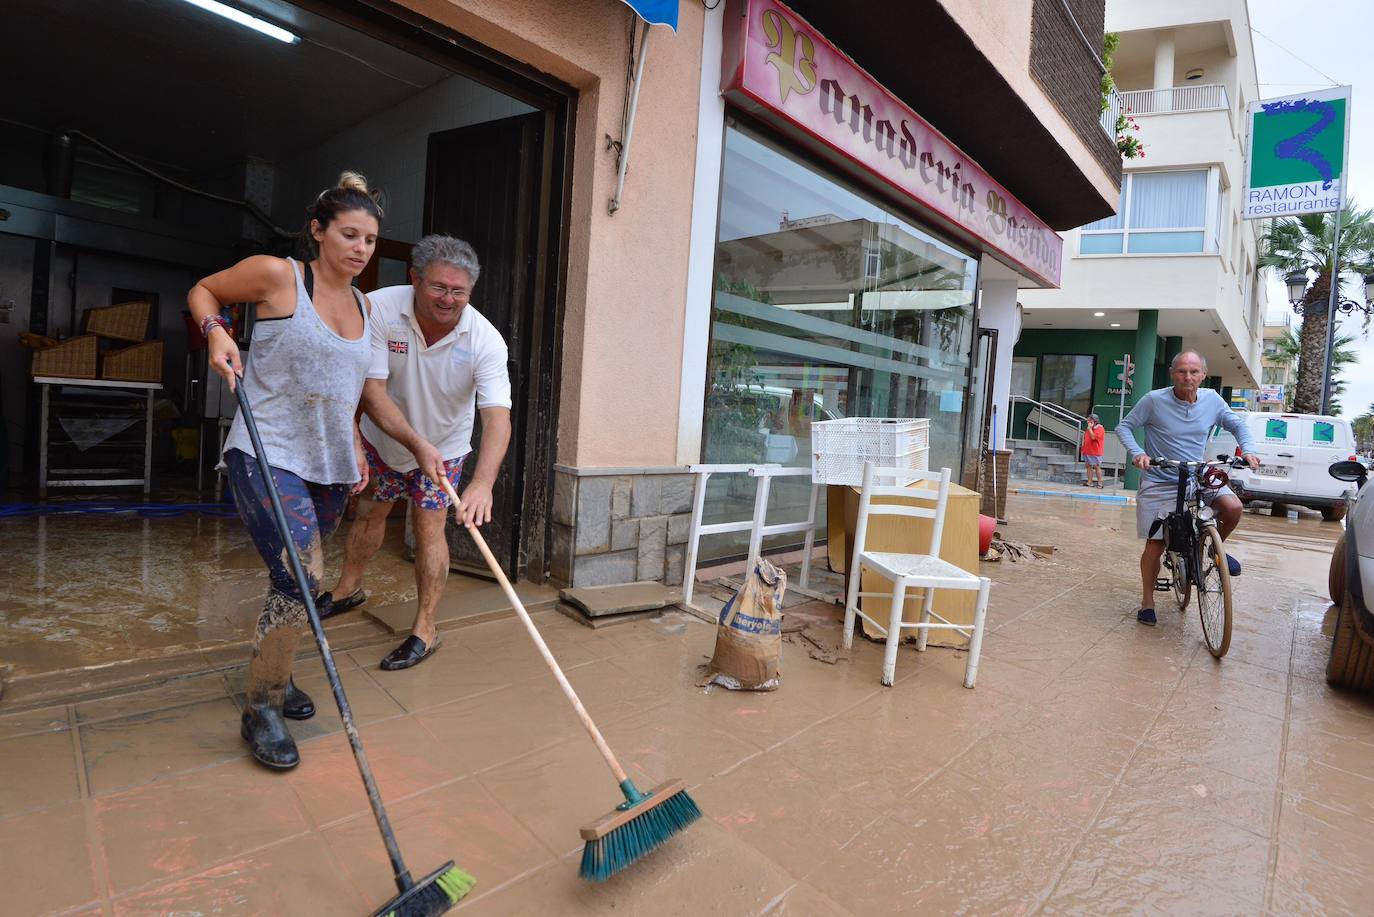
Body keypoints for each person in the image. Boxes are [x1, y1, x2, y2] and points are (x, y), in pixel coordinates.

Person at [189, 172, 442, 770]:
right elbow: (204, 290)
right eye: (349, 234)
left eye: (371, 240)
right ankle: (262, 708)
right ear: (318, 232)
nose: (360, 248)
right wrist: (216, 332)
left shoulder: (366, 310)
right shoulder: (280, 276)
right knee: (302, 576)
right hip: (265, 449)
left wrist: (415, 443)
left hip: (328, 466)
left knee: (297, 585)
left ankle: (276, 672)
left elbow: (369, 393)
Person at [317, 235, 512, 670]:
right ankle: (349, 588)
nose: (448, 299)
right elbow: (371, 390)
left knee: (429, 528)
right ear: (415, 279)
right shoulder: (379, 308)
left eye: (459, 291)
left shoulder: (485, 339)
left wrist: (482, 483)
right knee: (369, 513)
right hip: (384, 439)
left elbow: (497, 417)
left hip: (444, 450)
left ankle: (425, 629)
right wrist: (394, 442)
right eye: (439, 287)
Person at [1117, 351, 1260, 627]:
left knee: (1233, 508)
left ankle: (1213, 549)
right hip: (1161, 477)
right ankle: (1148, 601)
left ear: (1203, 375)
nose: (1188, 377)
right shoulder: (1154, 400)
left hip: (1197, 472)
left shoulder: (1212, 400)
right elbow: (1125, 427)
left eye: (1194, 372)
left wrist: (1250, 450)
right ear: (1173, 374)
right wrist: (1138, 453)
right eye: (1182, 371)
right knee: (1156, 544)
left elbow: (1237, 425)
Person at [1081, 413, 1105, 488]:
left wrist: (1090, 429)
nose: (1088, 422)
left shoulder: (1099, 428)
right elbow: (1085, 438)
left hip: (1095, 451)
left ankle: (1100, 483)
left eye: (1089, 420)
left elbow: (1093, 438)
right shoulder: (1088, 428)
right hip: (1087, 450)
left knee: (1096, 466)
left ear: (1094, 421)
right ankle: (1089, 482)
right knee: (1088, 466)